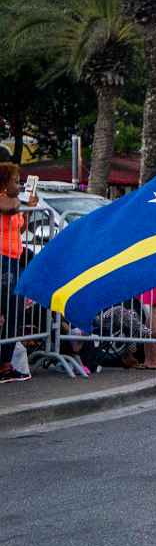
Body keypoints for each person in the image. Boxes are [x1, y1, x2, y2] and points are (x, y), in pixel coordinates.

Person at [0, 163, 37, 382]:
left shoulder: (13, 201)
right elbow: (10, 207)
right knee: (11, 307)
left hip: (13, 259)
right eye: (15, 180)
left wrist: (29, 209)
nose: (19, 184)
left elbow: (19, 227)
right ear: (4, 182)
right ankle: (3, 363)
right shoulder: (6, 199)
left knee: (14, 311)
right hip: (2, 259)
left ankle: (5, 363)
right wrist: (21, 200)